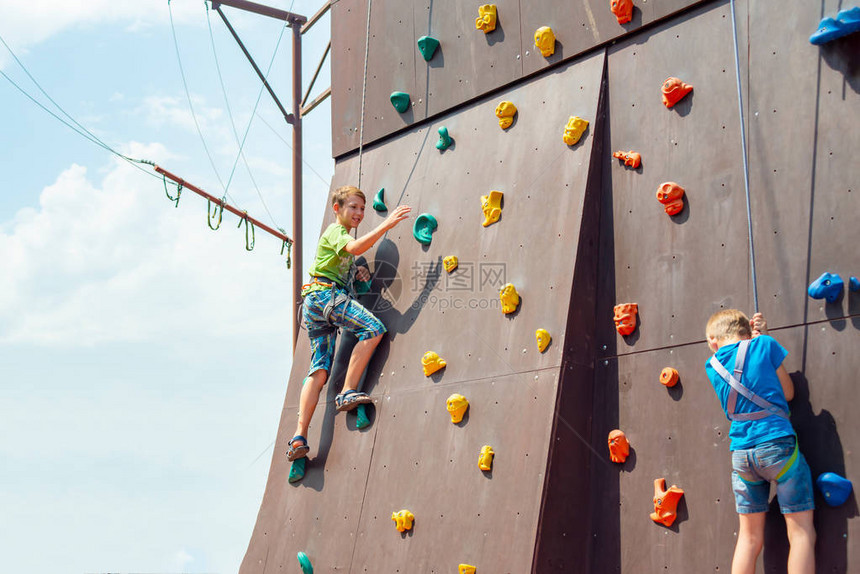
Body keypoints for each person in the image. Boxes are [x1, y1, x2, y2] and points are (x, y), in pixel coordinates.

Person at [287, 185, 411, 461]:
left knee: (319, 369)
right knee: (373, 329)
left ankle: (298, 437)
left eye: (362, 208)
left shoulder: (342, 252)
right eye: (353, 207)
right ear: (337, 209)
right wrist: (387, 224)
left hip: (316, 303)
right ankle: (347, 392)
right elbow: (354, 247)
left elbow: (354, 266)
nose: (359, 213)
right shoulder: (335, 232)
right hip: (325, 296)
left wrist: (359, 273)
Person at [704, 309, 816, 574]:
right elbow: (788, 392)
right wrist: (762, 336)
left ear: (712, 341)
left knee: (749, 539)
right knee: (801, 535)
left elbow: (736, 357)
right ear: (747, 331)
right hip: (777, 446)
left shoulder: (713, 366)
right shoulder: (764, 344)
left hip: (742, 456)